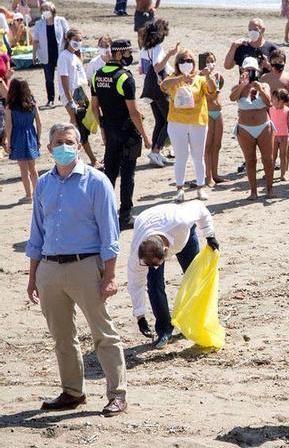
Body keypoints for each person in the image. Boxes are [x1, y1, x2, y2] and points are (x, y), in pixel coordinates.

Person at [26, 122, 128, 417]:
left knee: (103, 333)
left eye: (69, 141)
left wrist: (110, 276)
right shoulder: (44, 184)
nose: (63, 146)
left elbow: (110, 233)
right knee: (61, 336)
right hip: (49, 269)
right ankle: (72, 391)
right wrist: (33, 276)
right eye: (58, 142)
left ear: (80, 145)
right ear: (48, 149)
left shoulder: (97, 182)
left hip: (86, 266)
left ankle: (117, 393)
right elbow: (37, 233)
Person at [126, 200, 219, 348]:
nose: (153, 267)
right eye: (149, 264)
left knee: (194, 278)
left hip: (182, 236)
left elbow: (200, 208)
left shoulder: (181, 221)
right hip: (147, 221)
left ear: (165, 251)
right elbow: (135, 283)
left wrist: (209, 235)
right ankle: (164, 330)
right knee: (154, 284)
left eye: (156, 264)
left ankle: (193, 323)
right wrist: (140, 316)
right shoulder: (138, 253)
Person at [90, 39, 152, 228]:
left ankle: (103, 214)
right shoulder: (125, 77)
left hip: (110, 129)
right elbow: (133, 112)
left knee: (109, 174)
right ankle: (125, 216)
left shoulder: (97, 75)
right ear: (118, 54)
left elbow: (94, 108)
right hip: (127, 133)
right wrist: (146, 137)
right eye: (126, 53)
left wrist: (103, 130)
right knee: (127, 175)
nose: (129, 56)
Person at [160, 49, 216, 202]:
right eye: (183, 61)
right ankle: (179, 189)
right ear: (177, 64)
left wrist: (207, 76)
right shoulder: (173, 77)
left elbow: (212, 91)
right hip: (177, 122)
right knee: (181, 157)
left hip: (198, 121)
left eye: (189, 61)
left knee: (198, 156)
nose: (187, 64)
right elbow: (163, 86)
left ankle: (200, 187)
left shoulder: (200, 78)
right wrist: (180, 79)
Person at [230, 57, 274, 200]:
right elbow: (232, 97)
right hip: (245, 128)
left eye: (253, 70)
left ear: (258, 71)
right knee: (250, 159)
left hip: (263, 126)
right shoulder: (238, 87)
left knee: (268, 159)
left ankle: (269, 189)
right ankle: (253, 191)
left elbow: (269, 103)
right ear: (242, 70)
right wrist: (243, 85)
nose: (250, 72)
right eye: (247, 70)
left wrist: (259, 88)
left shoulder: (264, 85)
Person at [56, 28, 98, 166]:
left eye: (80, 40)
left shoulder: (75, 56)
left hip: (80, 93)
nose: (78, 43)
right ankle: (93, 160)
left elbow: (80, 78)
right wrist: (70, 101)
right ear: (68, 39)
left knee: (75, 125)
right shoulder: (64, 56)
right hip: (72, 95)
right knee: (80, 127)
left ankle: (69, 156)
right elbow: (64, 80)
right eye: (75, 40)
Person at [139, 19, 176, 167]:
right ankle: (156, 150)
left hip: (149, 89)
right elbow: (156, 67)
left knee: (160, 121)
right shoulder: (158, 48)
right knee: (170, 120)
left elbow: (142, 70)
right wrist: (170, 55)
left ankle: (155, 153)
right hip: (160, 89)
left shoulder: (143, 50)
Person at [3, 78, 40, 201]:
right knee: (33, 168)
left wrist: (8, 142)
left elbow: (9, 125)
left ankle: (28, 195)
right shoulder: (32, 103)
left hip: (17, 137)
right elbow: (39, 123)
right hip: (30, 135)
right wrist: (38, 139)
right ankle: (37, 193)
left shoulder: (10, 106)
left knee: (23, 169)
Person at [32, 2, 68, 107]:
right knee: (48, 78)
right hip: (45, 55)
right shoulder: (39, 24)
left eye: (47, 9)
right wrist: (34, 56)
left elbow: (68, 35)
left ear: (53, 10)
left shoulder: (61, 21)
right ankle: (50, 99)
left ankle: (64, 96)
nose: (45, 11)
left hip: (60, 53)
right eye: (43, 9)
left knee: (63, 76)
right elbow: (35, 41)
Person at [202, 52, 225, 186]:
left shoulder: (218, 75)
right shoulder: (201, 76)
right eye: (207, 61)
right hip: (207, 112)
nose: (210, 63)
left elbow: (218, 91)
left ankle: (215, 174)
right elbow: (209, 95)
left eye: (212, 60)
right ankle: (208, 176)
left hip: (218, 111)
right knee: (208, 146)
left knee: (217, 145)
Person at [269, 88, 289, 181]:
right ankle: (270, 173)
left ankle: (283, 174)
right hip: (273, 136)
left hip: (284, 136)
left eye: (274, 98)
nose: (272, 100)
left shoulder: (287, 111)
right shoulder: (270, 109)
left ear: (281, 100)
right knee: (272, 156)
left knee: (283, 155)